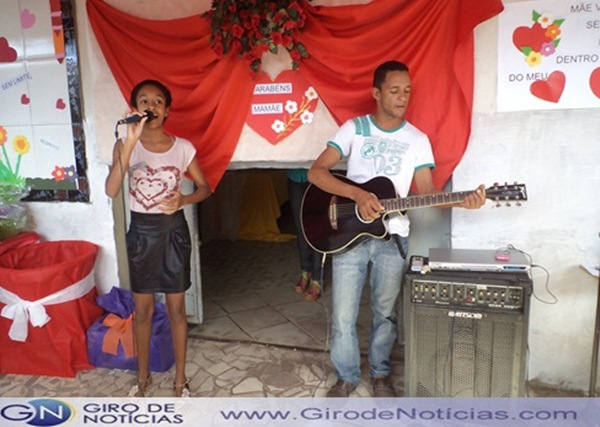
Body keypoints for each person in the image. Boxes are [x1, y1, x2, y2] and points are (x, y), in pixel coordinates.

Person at [307, 61, 486, 398]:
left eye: (407, 90)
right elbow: (317, 173)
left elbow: (427, 191)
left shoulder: (417, 140)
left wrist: (462, 201)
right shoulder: (355, 129)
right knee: (344, 314)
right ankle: (346, 376)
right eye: (394, 90)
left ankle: (379, 374)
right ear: (376, 93)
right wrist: (358, 194)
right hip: (348, 236)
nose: (402, 97)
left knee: (385, 313)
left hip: (393, 237)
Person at [105, 79, 211, 398]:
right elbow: (111, 190)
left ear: (167, 111)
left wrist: (184, 200)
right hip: (141, 234)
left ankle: (180, 381)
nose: (151, 105)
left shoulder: (183, 148)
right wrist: (129, 140)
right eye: (144, 100)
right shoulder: (126, 145)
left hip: (173, 234)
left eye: (158, 101)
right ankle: (143, 379)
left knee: (177, 310)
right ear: (135, 108)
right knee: (144, 310)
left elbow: (205, 188)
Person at [287, 168, 324, 301]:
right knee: (301, 226)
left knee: (318, 228)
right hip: (295, 177)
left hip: (319, 177)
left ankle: (317, 278)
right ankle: (305, 271)